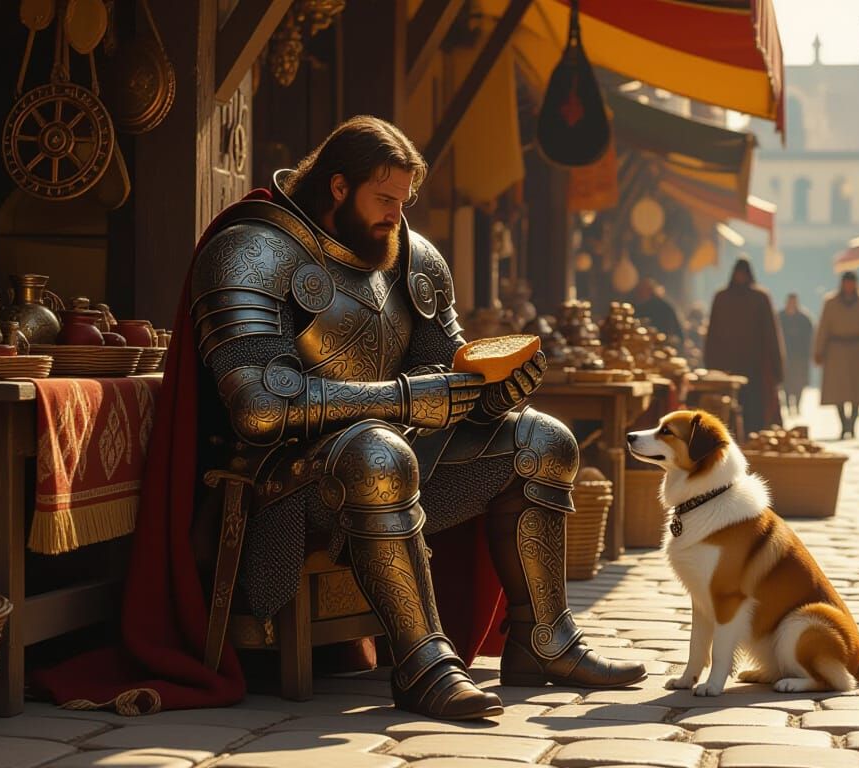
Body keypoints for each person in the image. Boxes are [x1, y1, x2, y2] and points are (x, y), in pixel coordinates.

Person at [34, 117, 644, 720]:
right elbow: (258, 407)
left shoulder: (413, 259)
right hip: (283, 480)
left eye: (403, 201)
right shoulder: (252, 250)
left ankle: (544, 642)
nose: (396, 215)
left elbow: (446, 376)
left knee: (544, 440)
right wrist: (406, 400)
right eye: (384, 199)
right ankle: (425, 665)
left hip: (394, 454)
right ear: (337, 186)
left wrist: (493, 393)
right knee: (379, 453)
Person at [704, 259, 786, 430]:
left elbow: (771, 334)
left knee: (754, 409)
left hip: (754, 365)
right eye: (738, 273)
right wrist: (710, 362)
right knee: (726, 408)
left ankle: (752, 435)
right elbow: (712, 332)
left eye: (743, 273)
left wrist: (777, 366)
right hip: (726, 365)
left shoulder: (760, 297)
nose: (740, 277)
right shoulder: (722, 298)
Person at [815, 271, 859, 439]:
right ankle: (843, 424)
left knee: (857, 392)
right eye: (846, 283)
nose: (849, 286)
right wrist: (818, 351)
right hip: (836, 352)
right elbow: (823, 328)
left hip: (858, 352)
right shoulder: (831, 302)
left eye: (851, 283)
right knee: (837, 391)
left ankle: (852, 424)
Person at [779, 293, 814, 415]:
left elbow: (810, 338)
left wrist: (810, 354)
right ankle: (788, 406)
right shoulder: (780, 317)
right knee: (786, 384)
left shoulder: (804, 319)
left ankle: (797, 405)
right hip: (785, 357)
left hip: (800, 357)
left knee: (799, 384)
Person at [631, 276, 684, 343]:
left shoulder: (664, 308)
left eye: (641, 290)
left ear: (650, 290)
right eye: (638, 290)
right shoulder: (638, 306)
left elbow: (670, 333)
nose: (638, 293)